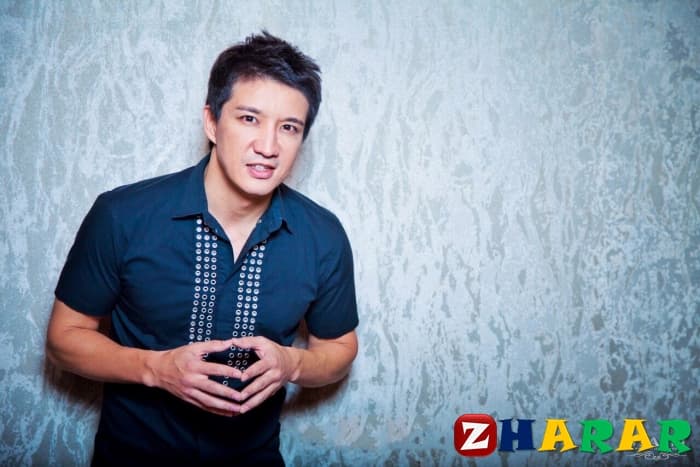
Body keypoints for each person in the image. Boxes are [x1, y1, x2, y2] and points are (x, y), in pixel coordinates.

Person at [46, 32, 358, 466]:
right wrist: (156, 369)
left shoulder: (323, 235)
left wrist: (292, 364)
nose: (268, 147)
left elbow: (339, 349)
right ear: (211, 122)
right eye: (249, 118)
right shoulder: (122, 215)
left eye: (289, 127)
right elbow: (63, 339)